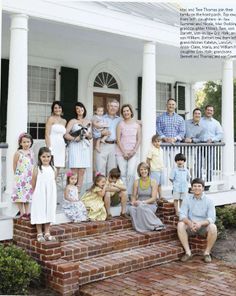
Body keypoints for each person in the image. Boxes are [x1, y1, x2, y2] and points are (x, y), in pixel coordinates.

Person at [177, 178, 217, 263]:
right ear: (191, 188)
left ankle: (207, 253)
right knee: (180, 225)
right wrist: (190, 223)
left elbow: (212, 218)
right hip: (190, 226)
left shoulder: (209, 200)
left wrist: (200, 223)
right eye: (194, 186)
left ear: (203, 188)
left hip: (203, 227)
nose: (197, 188)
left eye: (199, 186)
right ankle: (188, 252)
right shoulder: (187, 199)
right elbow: (182, 215)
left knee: (213, 227)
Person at [128, 162, 165, 233]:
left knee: (141, 207)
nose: (143, 171)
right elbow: (133, 196)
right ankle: (140, 228)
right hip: (139, 203)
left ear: (148, 170)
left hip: (150, 204)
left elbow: (154, 198)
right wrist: (133, 202)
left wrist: (142, 202)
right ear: (139, 171)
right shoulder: (136, 182)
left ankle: (156, 224)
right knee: (131, 209)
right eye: (141, 169)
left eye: (145, 169)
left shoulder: (153, 182)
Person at [64, 102, 92, 193]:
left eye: (81, 108)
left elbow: (91, 137)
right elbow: (66, 134)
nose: (80, 110)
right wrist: (75, 138)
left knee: (82, 171)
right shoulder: (72, 121)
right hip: (75, 146)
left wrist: (88, 135)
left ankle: (78, 191)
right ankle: (71, 191)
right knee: (74, 170)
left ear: (84, 109)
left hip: (84, 147)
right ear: (75, 111)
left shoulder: (88, 122)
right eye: (77, 109)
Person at [31, 147, 57, 242]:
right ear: (39, 157)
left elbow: (53, 181)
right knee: (40, 210)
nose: (46, 158)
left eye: (48, 156)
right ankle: (39, 233)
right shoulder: (37, 169)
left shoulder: (53, 168)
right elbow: (33, 182)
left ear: (51, 157)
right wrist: (35, 193)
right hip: (39, 193)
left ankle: (47, 232)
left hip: (50, 194)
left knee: (49, 210)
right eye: (44, 156)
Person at [116, 104, 141, 195]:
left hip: (133, 153)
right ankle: (124, 194)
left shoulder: (137, 125)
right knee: (123, 173)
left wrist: (133, 152)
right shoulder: (120, 124)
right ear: (122, 113)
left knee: (131, 173)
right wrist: (124, 152)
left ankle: (130, 194)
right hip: (121, 153)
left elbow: (139, 139)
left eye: (127, 110)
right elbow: (118, 139)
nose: (126, 112)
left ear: (131, 112)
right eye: (124, 111)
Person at [94, 99, 121, 176]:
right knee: (100, 168)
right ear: (108, 107)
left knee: (112, 170)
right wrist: (101, 133)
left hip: (114, 146)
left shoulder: (120, 120)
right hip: (102, 145)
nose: (113, 108)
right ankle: (99, 187)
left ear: (117, 108)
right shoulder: (101, 118)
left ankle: (110, 187)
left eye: (115, 106)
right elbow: (95, 133)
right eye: (111, 106)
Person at [12, 133, 34, 220]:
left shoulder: (31, 153)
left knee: (28, 195)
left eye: (28, 142)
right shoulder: (18, 153)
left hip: (29, 177)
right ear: (20, 143)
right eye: (24, 142)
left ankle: (28, 212)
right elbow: (14, 165)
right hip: (20, 177)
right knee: (20, 195)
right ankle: (22, 213)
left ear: (31, 142)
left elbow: (32, 164)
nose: (26, 144)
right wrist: (17, 176)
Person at [200, 105, 223, 181]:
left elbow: (220, 134)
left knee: (210, 164)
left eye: (211, 110)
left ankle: (208, 182)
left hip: (210, 145)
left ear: (213, 112)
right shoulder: (199, 120)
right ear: (205, 110)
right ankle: (198, 182)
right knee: (198, 164)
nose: (209, 111)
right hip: (199, 145)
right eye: (208, 110)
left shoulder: (216, 123)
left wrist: (212, 139)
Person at [45, 101, 67, 173]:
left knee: (58, 167)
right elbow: (47, 134)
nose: (58, 109)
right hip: (52, 144)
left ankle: (54, 184)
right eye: (55, 108)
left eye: (59, 107)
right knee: (51, 166)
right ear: (53, 109)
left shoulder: (64, 121)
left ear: (62, 109)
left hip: (61, 145)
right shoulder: (51, 119)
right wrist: (49, 148)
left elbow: (64, 135)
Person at [146, 134, 164, 199]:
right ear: (152, 142)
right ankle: (154, 197)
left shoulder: (161, 150)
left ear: (161, 142)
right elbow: (148, 160)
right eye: (155, 141)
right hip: (154, 170)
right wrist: (149, 169)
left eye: (158, 141)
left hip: (161, 170)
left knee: (160, 184)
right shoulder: (151, 150)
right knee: (154, 185)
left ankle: (161, 196)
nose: (157, 143)